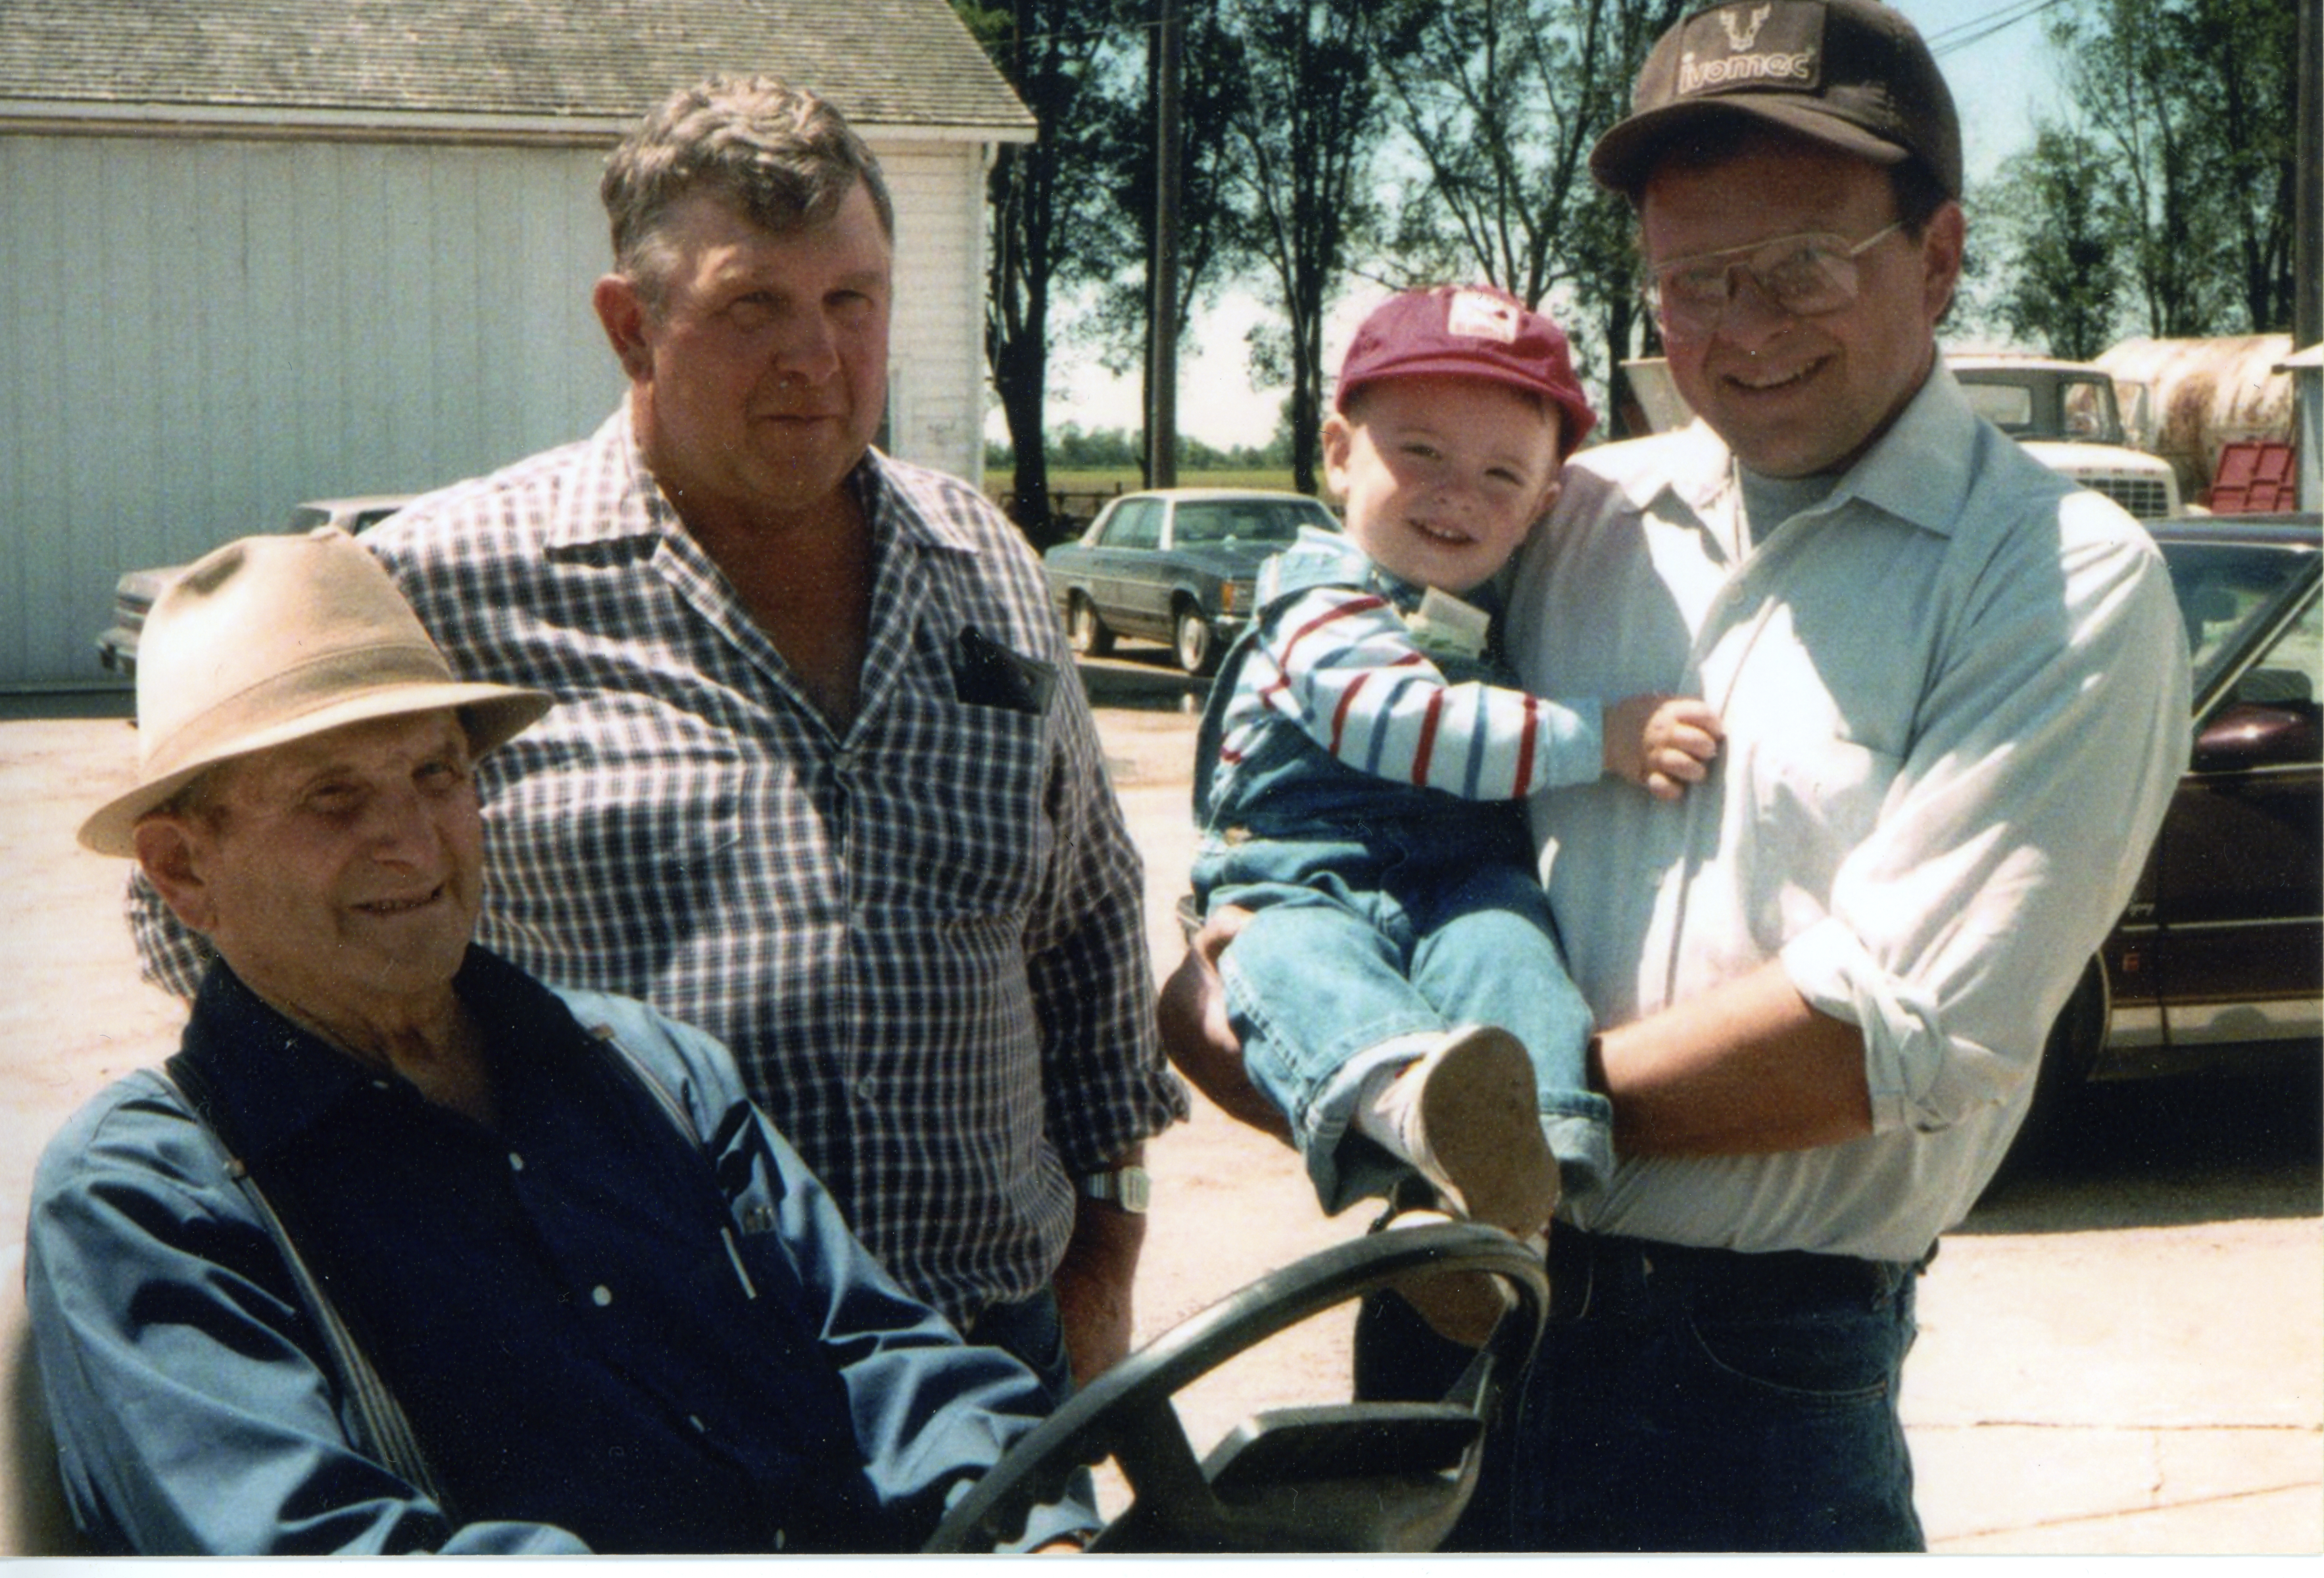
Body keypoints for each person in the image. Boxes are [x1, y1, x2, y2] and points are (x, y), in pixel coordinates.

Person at [1163, 0, 2191, 1552]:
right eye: (1697, 282)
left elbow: (1884, 1035)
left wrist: (1455, 1112)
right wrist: (1261, 982)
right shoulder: (1569, 514)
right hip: (1446, 1313)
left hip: (1748, 1378)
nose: (1747, 326)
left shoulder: (2058, 581)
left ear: (1940, 257)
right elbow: (1345, 761)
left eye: (1803, 267)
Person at [126, 75, 1186, 1393]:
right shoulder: (433, 590)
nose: (818, 355)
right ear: (631, 329)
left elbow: (1086, 947)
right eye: (754, 306)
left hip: (1000, 1369)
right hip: (644, 1398)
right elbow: (207, 921)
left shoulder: (986, 564)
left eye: (851, 300)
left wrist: (1101, 1277)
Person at [30, 529, 1096, 1556]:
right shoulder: (151, 1196)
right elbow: (311, 1543)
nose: (410, 842)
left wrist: (1034, 1528)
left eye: (438, 775)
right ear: (181, 872)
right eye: (333, 798)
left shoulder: (650, 1068)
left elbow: (877, 1353)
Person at [1190, 285, 1722, 1343]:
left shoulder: (1498, 608)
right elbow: (1397, 722)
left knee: (1513, 962)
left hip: (1457, 880)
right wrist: (1599, 739)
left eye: (1498, 476)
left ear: (1538, 507)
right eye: (1420, 454)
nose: (1455, 497)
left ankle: (1495, 1214)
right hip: (1303, 875)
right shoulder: (1321, 594)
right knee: (1295, 971)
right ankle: (1407, 1107)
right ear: (1340, 453)